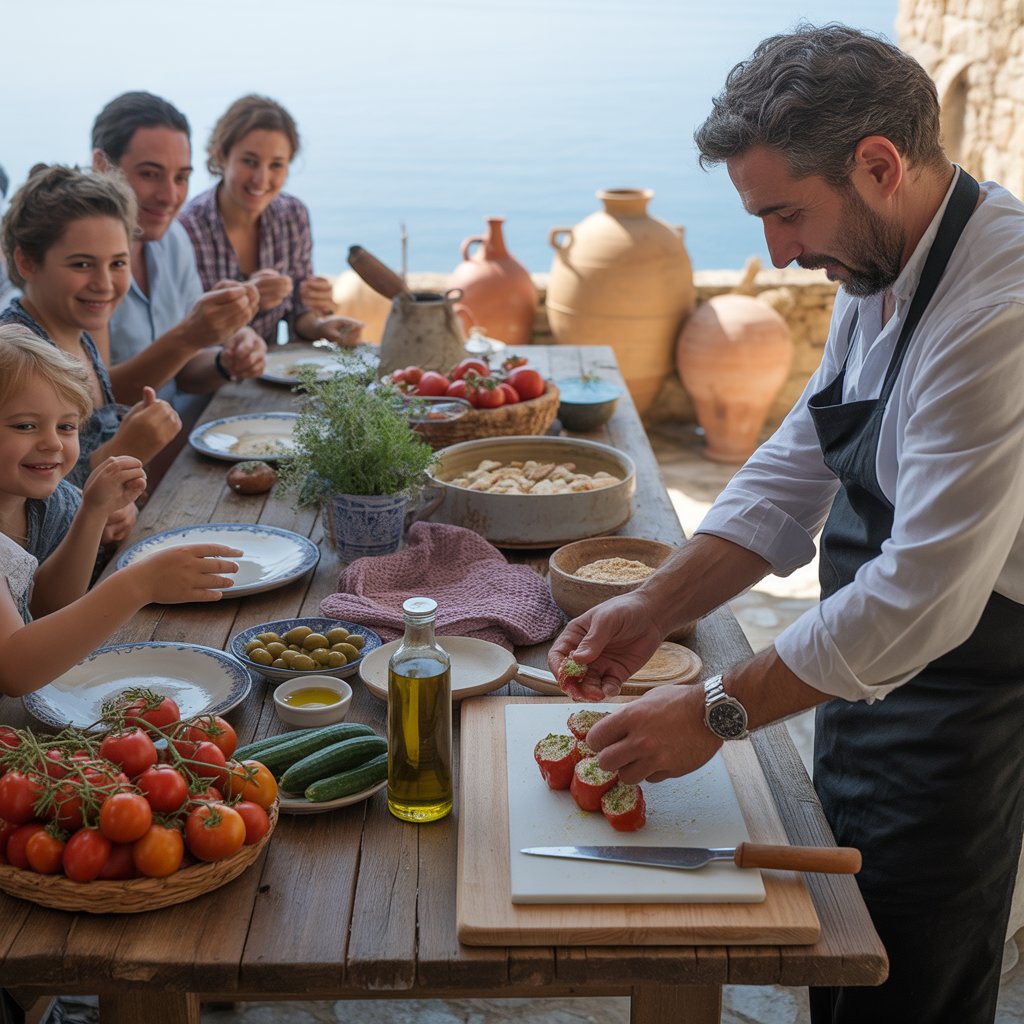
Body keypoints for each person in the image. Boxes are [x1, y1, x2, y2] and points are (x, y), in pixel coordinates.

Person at [549, 24, 1024, 1024]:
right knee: (834, 942)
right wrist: (650, 605)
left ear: (878, 165)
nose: (774, 252)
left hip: (963, 680)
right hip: (859, 658)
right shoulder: (880, 262)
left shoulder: (1001, 308)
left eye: (783, 213)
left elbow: (925, 596)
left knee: (907, 972)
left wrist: (714, 711)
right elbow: (796, 461)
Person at [0, 323, 241, 696]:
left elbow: (46, 606)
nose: (52, 443)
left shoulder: (48, 499)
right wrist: (138, 585)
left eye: (66, 426)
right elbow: (15, 669)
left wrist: (92, 515)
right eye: (25, 425)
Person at [0, 165, 179, 494]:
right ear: (27, 263)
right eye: (82, 264)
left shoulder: (75, 329)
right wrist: (127, 448)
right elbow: (34, 505)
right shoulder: (19, 355)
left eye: (118, 263)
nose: (105, 284)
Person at [89, 92, 266, 416]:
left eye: (181, 177)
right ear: (101, 166)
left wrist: (225, 362)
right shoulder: (73, 263)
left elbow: (183, 374)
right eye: (149, 174)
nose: (170, 196)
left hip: (174, 433)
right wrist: (190, 336)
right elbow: (94, 400)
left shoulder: (173, 238)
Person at [178, 94, 362, 347]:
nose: (261, 180)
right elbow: (182, 330)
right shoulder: (188, 228)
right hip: (206, 375)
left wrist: (322, 324)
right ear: (221, 156)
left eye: (276, 165)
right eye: (250, 162)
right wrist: (248, 298)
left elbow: (300, 313)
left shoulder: (293, 216)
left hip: (272, 370)